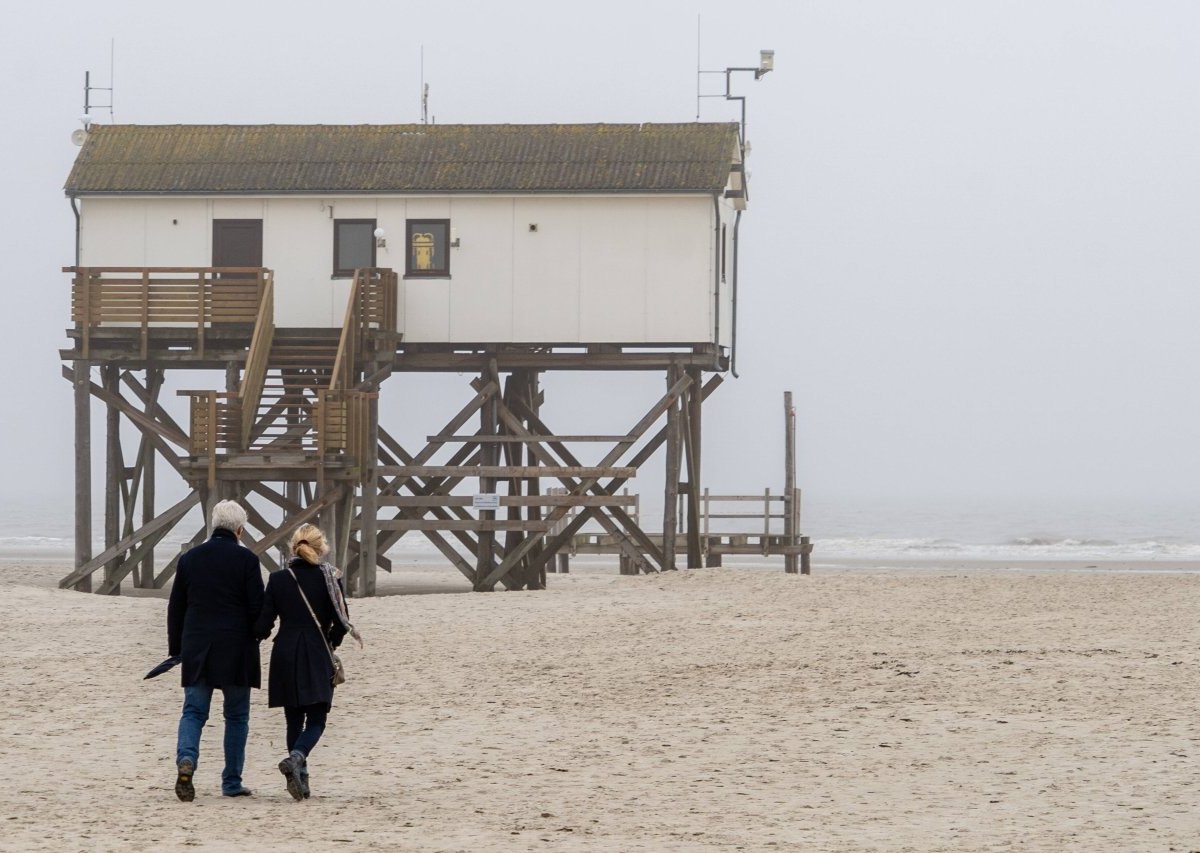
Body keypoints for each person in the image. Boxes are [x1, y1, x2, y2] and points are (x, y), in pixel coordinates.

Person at [255, 524, 361, 801]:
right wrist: (331, 643)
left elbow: (264, 624)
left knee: (293, 719)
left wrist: (248, 634)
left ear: (294, 548)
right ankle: (298, 758)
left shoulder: (278, 579)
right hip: (316, 652)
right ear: (321, 547)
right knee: (317, 718)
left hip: (285, 653)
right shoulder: (330, 579)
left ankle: (301, 778)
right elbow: (341, 622)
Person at [167, 499, 264, 801]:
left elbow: (176, 608)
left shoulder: (190, 558)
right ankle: (231, 782)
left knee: (194, 711)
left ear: (213, 526)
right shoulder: (247, 560)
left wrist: (177, 648)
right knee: (236, 717)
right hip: (236, 649)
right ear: (240, 529)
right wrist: (259, 635)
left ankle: (187, 760)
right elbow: (256, 607)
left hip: (197, 646)